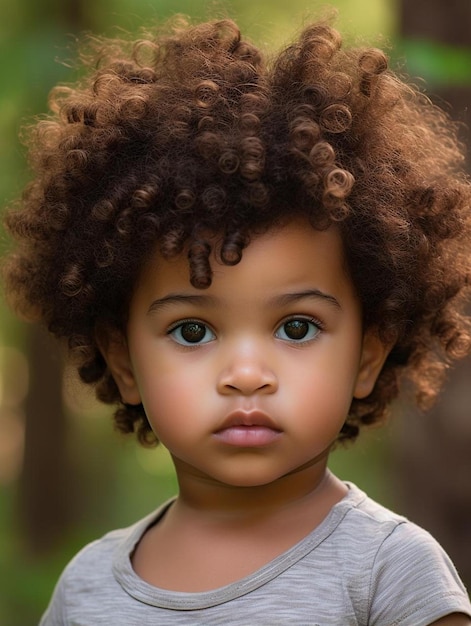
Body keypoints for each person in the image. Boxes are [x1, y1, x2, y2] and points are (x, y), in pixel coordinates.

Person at [3, 12, 471, 625]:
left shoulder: (392, 574)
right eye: (192, 331)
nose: (246, 373)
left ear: (367, 354)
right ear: (123, 362)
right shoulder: (86, 590)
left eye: (296, 327)